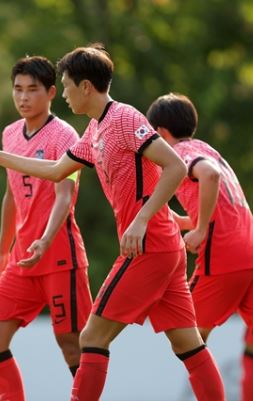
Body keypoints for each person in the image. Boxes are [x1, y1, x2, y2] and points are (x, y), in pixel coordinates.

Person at [0, 44, 225, 401]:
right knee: (188, 343)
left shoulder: (123, 119)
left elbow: (176, 166)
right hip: (163, 248)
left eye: (67, 85)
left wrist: (141, 220)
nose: (66, 94)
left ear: (85, 86)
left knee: (90, 338)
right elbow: (57, 170)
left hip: (148, 246)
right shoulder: (94, 131)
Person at [0, 56, 92, 401]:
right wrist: (2, 251)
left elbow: (64, 195)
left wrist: (45, 238)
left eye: (32, 90)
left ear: (52, 92)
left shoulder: (65, 135)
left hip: (59, 255)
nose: (23, 97)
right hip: (22, 259)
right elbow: (11, 194)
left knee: (71, 345)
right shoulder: (10, 133)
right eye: (18, 89)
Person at [146, 93, 253, 401]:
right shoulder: (206, 147)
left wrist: (202, 228)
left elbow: (210, 175)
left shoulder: (181, 153)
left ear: (162, 134)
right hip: (248, 246)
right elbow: (220, 197)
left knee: (188, 340)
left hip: (224, 256)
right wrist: (187, 222)